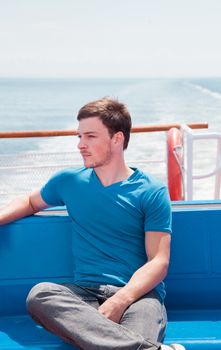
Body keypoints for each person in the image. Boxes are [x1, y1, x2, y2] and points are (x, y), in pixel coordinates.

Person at [0, 98, 185, 350]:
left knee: (134, 323)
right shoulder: (68, 181)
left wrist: (120, 300)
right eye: (79, 137)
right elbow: (30, 202)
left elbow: (158, 262)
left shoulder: (151, 191)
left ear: (117, 139)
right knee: (41, 294)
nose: (80, 145)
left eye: (90, 137)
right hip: (83, 294)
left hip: (137, 296)